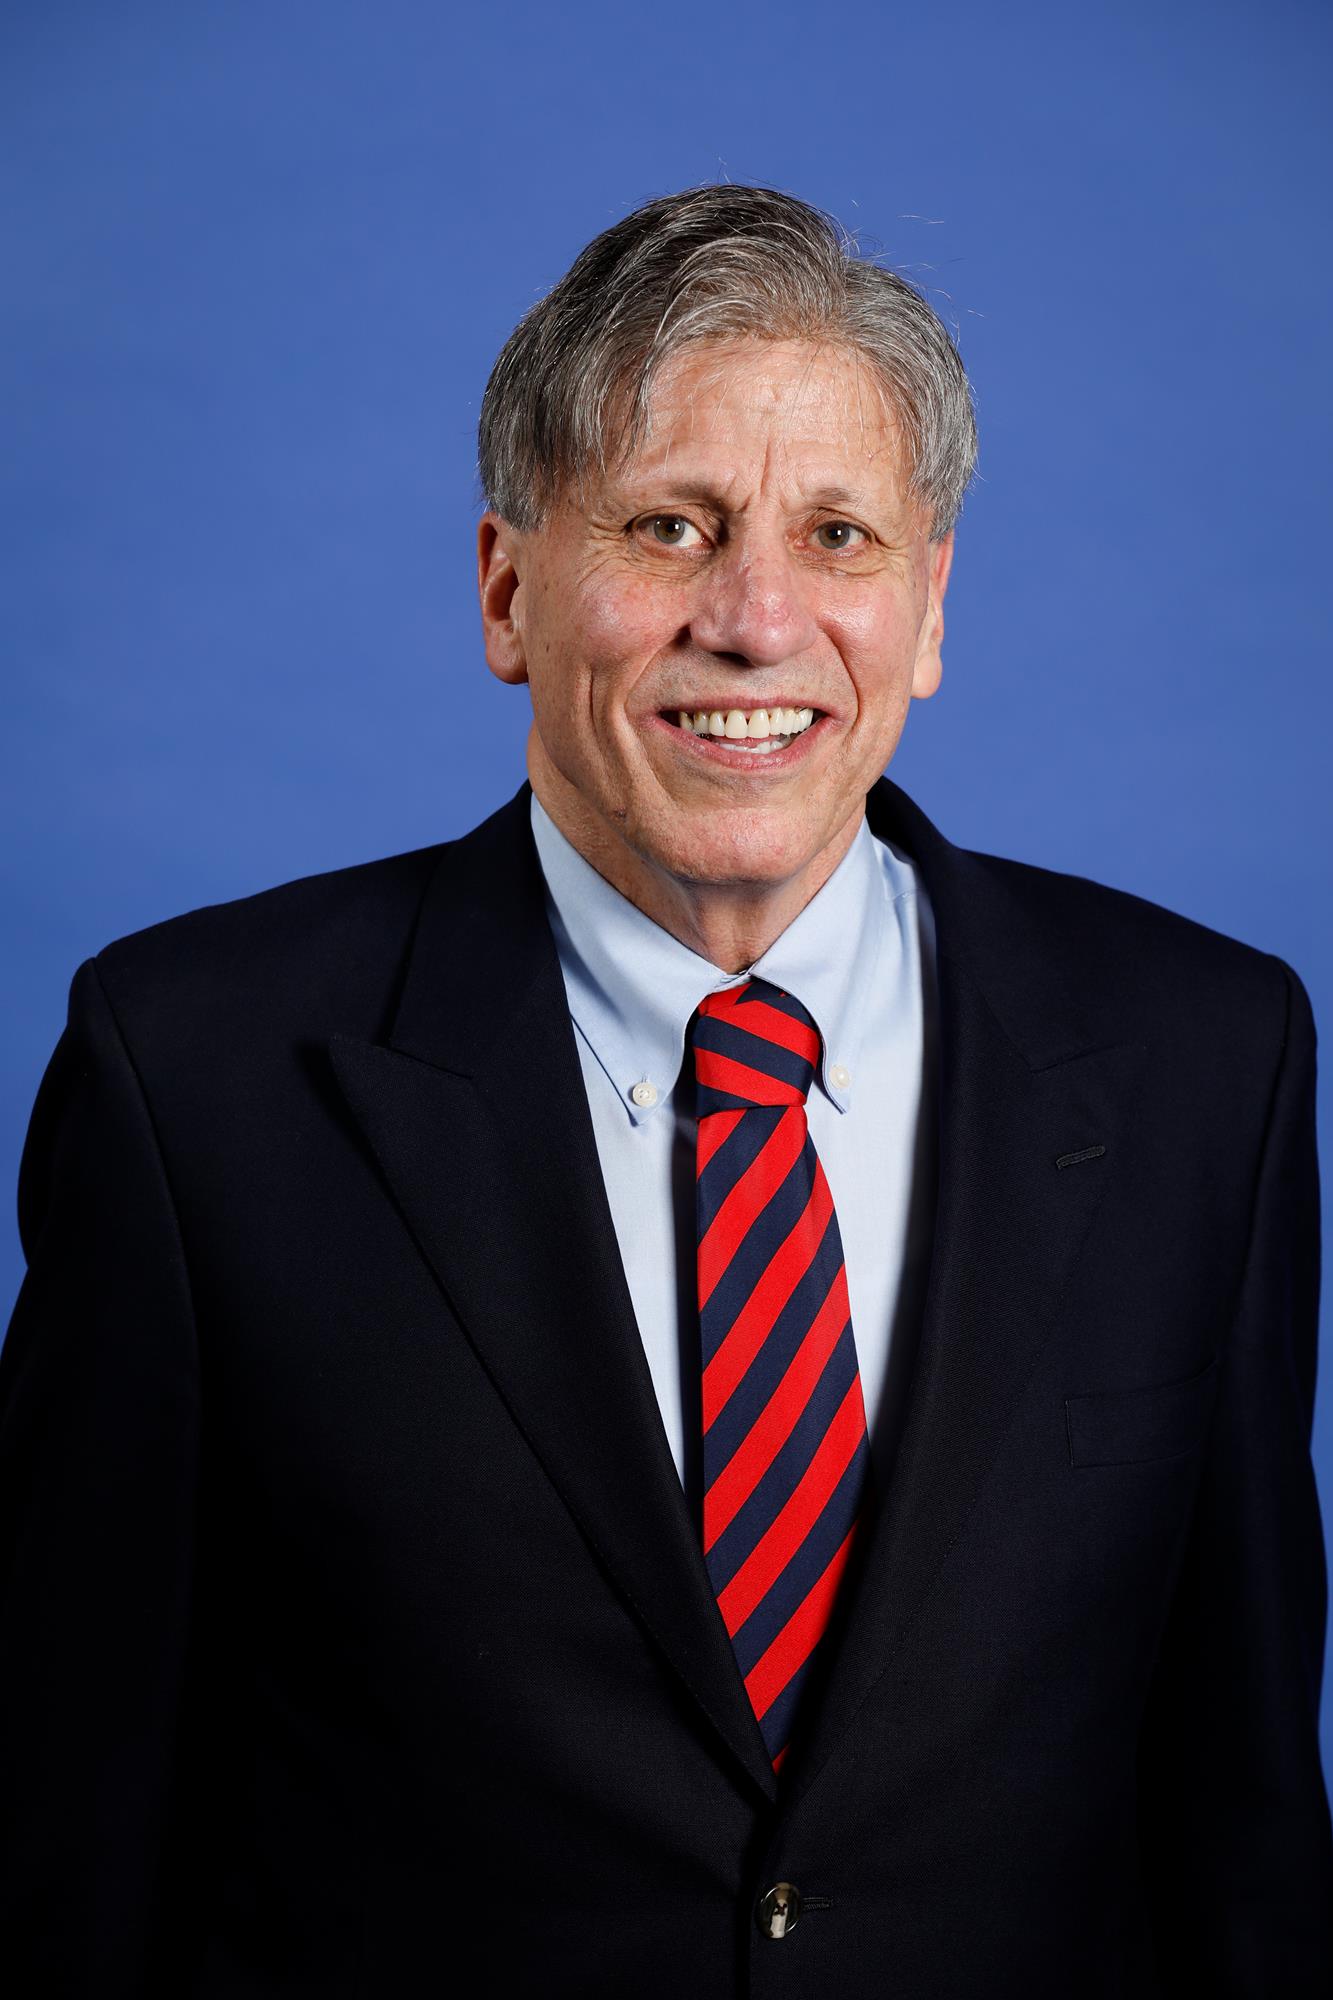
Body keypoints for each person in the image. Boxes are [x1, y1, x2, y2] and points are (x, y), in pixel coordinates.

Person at [1, 184, 1329, 1998]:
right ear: (507, 591)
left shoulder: (1206, 1061)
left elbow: (1241, 1828)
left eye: (838, 536)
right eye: (669, 526)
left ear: (928, 609)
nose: (759, 620)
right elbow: (59, 1842)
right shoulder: (193, 1081)